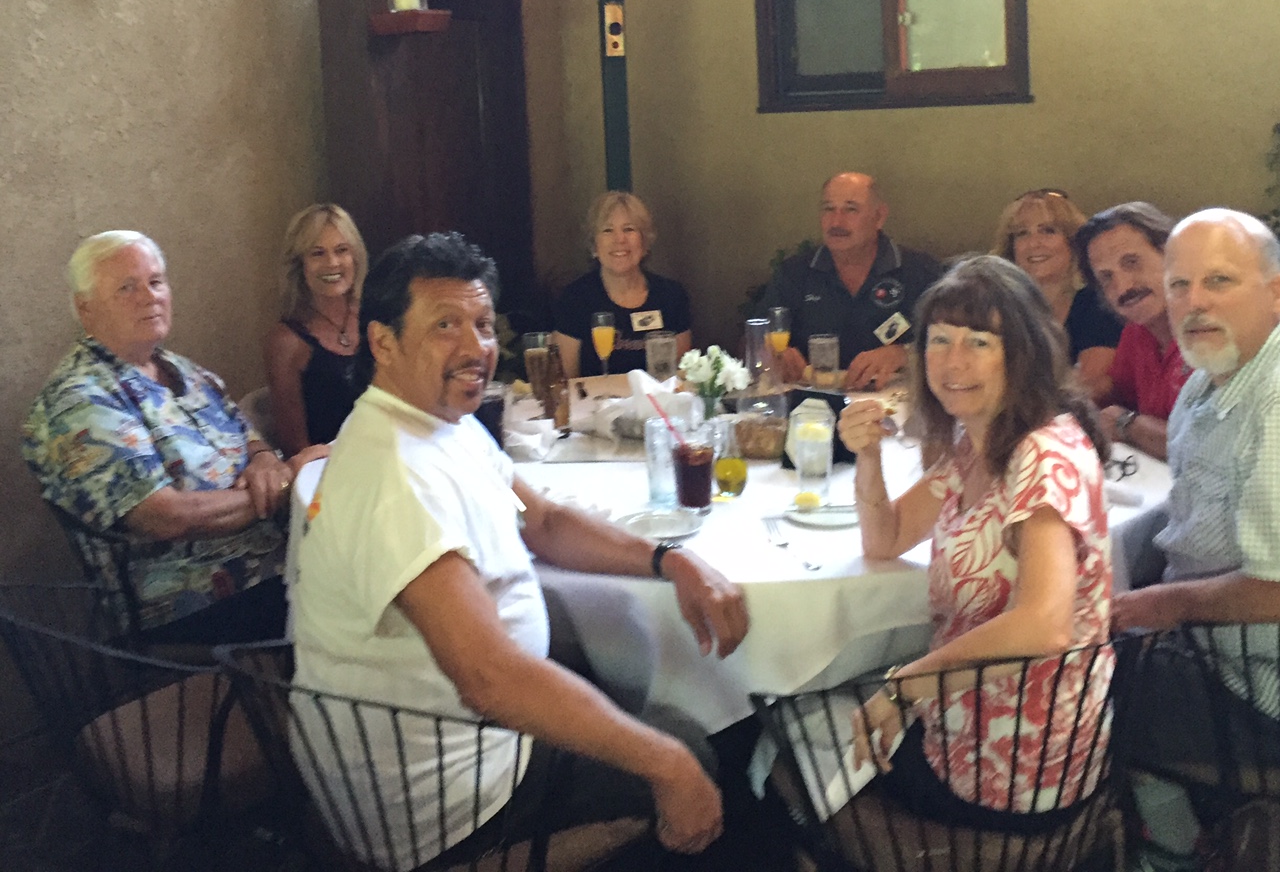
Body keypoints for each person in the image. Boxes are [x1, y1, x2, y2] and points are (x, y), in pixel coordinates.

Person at [292, 232, 749, 869]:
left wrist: (671, 559)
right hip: (451, 800)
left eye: (482, 323)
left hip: (477, 740)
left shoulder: (440, 426)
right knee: (690, 750)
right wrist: (666, 764)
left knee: (642, 701)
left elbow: (547, 524)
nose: (475, 346)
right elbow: (487, 678)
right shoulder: (394, 473)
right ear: (383, 342)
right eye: (445, 324)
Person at [836, 255, 1111, 827]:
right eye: (939, 339)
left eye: (980, 341)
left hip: (1017, 766)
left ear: (1024, 351)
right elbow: (884, 539)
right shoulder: (975, 445)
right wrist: (867, 456)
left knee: (784, 758)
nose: (953, 361)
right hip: (969, 728)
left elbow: (1045, 624)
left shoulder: (1043, 452)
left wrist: (901, 689)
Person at [1111, 209, 1280, 868]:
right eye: (1179, 285)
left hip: (1259, 685)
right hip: (1210, 651)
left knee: (1072, 684)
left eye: (1220, 281)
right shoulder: (1207, 385)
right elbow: (1186, 526)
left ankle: (1173, 852)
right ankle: (1191, 836)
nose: (1195, 302)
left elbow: (1274, 591)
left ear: (1275, 290)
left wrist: (1165, 605)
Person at [23, 230, 292, 644]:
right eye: (127, 287)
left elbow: (248, 434)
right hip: (191, 603)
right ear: (86, 308)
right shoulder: (79, 401)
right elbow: (167, 517)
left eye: (156, 281)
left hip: (271, 562)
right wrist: (282, 488)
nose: (149, 296)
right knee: (362, 596)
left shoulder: (181, 369)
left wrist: (266, 462)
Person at [762, 172, 942, 391]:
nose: (837, 221)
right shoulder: (795, 273)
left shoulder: (919, 272)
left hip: (896, 403)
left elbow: (953, 344)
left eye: (851, 209)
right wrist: (773, 353)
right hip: (811, 403)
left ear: (879, 217)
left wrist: (904, 354)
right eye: (828, 209)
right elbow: (753, 339)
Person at [1076, 202, 1190, 460]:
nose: (1123, 286)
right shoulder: (1136, 334)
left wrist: (1127, 424)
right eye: (1106, 277)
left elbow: (1209, 449)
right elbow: (1114, 393)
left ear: (1171, 254)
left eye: (1131, 262)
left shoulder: (1212, 329)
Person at [991, 189, 1121, 400]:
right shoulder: (1001, 308)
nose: (1034, 243)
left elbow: (1092, 386)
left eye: (1048, 231)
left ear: (1073, 243)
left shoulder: (1096, 303)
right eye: (1022, 233)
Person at [262, 203, 367, 458]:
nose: (332, 263)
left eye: (341, 250)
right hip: (329, 471)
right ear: (300, 265)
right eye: (317, 253)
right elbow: (295, 448)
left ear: (355, 256)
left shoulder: (376, 314)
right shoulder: (286, 341)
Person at [552, 191, 692, 379]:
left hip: (656, 406)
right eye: (607, 230)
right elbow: (564, 383)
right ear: (594, 246)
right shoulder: (574, 299)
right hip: (594, 407)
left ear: (645, 242)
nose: (619, 239)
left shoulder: (671, 296)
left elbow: (681, 377)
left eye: (629, 229)